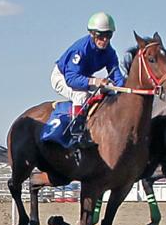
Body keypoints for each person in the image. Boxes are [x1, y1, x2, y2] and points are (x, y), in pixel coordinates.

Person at [50, 12, 125, 147]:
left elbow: (117, 77)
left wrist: (124, 92)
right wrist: (94, 81)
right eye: (100, 36)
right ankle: (76, 134)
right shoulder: (80, 49)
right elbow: (71, 79)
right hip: (62, 77)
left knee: (107, 92)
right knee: (81, 95)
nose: (104, 40)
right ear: (92, 34)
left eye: (108, 35)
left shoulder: (110, 53)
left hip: (82, 77)